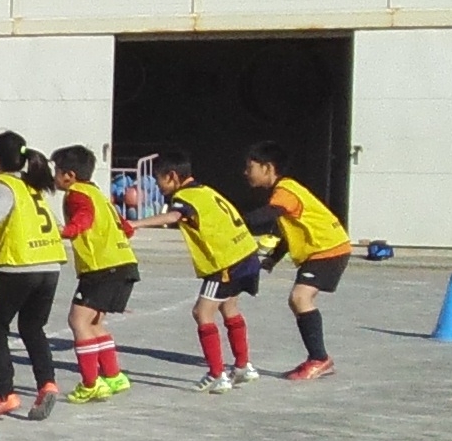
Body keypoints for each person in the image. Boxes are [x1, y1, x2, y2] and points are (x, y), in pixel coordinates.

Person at [140, 152, 264, 394]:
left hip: (225, 261)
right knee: (229, 308)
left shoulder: (185, 196)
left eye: (158, 180)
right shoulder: (206, 190)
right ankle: (242, 366)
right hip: (246, 252)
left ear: (172, 177)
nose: (157, 185)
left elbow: (174, 216)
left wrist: (134, 224)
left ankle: (217, 374)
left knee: (201, 312)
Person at [0, 131, 67, 420]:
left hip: (18, 264)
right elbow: (56, 223)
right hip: (49, 264)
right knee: (32, 327)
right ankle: (47, 382)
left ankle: (6, 394)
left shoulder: (1, 185)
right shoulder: (33, 186)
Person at [246, 141, 349, 380]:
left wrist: (234, 220)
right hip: (324, 250)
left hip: (328, 249)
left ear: (267, 168)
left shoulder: (285, 191)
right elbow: (288, 228)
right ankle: (318, 358)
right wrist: (274, 257)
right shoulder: (285, 192)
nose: (246, 172)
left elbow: (268, 215)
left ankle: (319, 359)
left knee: (299, 297)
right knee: (299, 300)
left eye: (250, 167)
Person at [51, 144, 139, 402]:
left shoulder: (77, 194)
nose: (55, 176)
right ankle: (113, 375)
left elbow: (84, 218)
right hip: (124, 263)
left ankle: (90, 383)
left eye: (56, 171)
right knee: (93, 323)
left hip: (102, 267)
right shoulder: (99, 194)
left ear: (69, 175)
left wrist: (66, 230)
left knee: (77, 321)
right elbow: (126, 227)